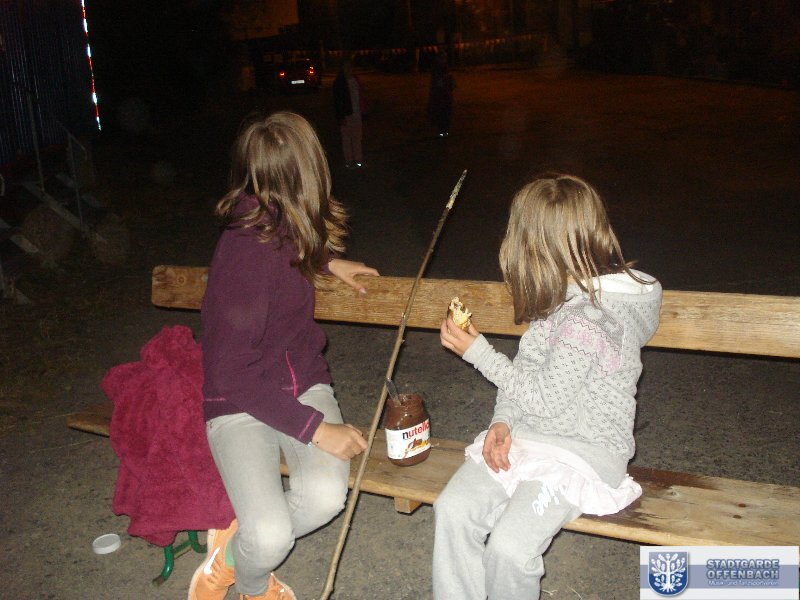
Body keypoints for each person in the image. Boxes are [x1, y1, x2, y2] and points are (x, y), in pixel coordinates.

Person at [434, 174, 662, 600]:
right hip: (532, 436)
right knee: (453, 509)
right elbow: (528, 370)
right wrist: (503, 421)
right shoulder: (563, 298)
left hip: (581, 455)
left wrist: (478, 352)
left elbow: (545, 398)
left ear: (537, 250)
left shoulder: (590, 320)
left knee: (510, 547)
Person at [189, 111, 378, 600]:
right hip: (239, 402)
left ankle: (234, 550)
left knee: (325, 498)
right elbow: (230, 372)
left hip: (301, 385)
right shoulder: (245, 251)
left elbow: (290, 252)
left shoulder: (277, 223)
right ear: (308, 172)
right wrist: (317, 429)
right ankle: (251, 584)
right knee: (270, 535)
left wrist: (329, 262)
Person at [333, 59, 367, 169]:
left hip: (357, 113)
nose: (349, 69)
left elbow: (361, 97)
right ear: (342, 69)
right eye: (346, 67)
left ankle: (358, 160)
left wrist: (363, 111)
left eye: (350, 67)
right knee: (347, 139)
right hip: (346, 115)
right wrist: (340, 116)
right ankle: (349, 161)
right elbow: (337, 101)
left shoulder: (356, 80)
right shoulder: (339, 82)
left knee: (357, 137)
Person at [427, 53, 455, 137]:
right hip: (441, 96)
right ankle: (443, 131)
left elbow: (451, 84)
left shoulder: (444, 70)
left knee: (444, 114)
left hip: (444, 96)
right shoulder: (438, 71)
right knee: (442, 114)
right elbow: (437, 84)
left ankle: (444, 131)